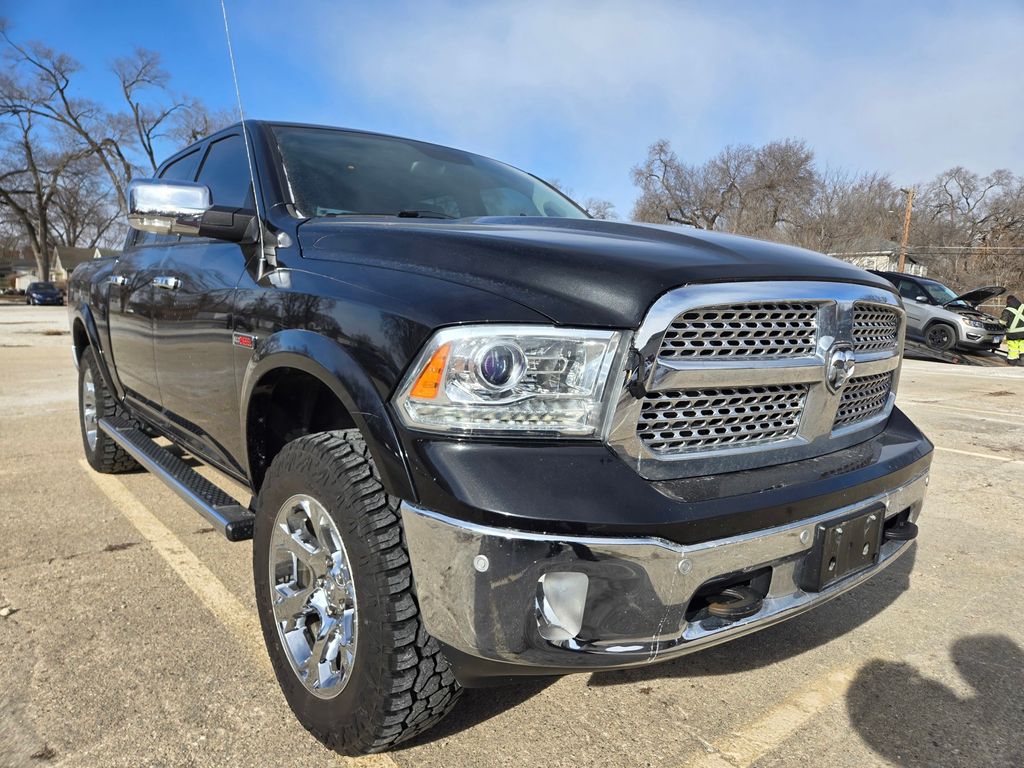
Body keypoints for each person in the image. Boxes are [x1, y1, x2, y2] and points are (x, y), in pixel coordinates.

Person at [1001, 294, 1024, 366]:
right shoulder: (1023, 306)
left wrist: (1002, 327)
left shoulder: (1007, 310)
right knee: (1023, 347)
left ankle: (1012, 362)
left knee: (1013, 348)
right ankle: (1023, 361)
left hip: (1012, 334)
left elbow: (1002, 322)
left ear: (1008, 301)